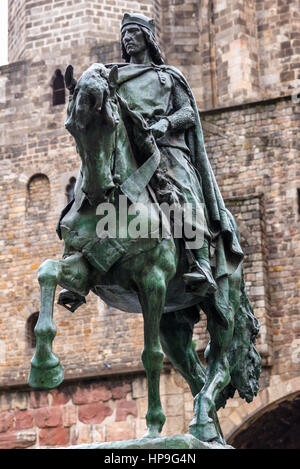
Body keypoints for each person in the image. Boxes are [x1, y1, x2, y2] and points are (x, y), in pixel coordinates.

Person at [112, 12, 241, 298]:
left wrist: (165, 124)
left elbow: (187, 112)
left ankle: (202, 264)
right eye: (124, 35)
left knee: (183, 190)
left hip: (168, 149)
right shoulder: (116, 77)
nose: (127, 39)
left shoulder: (168, 77)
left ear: (146, 38)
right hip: (130, 153)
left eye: (133, 33)